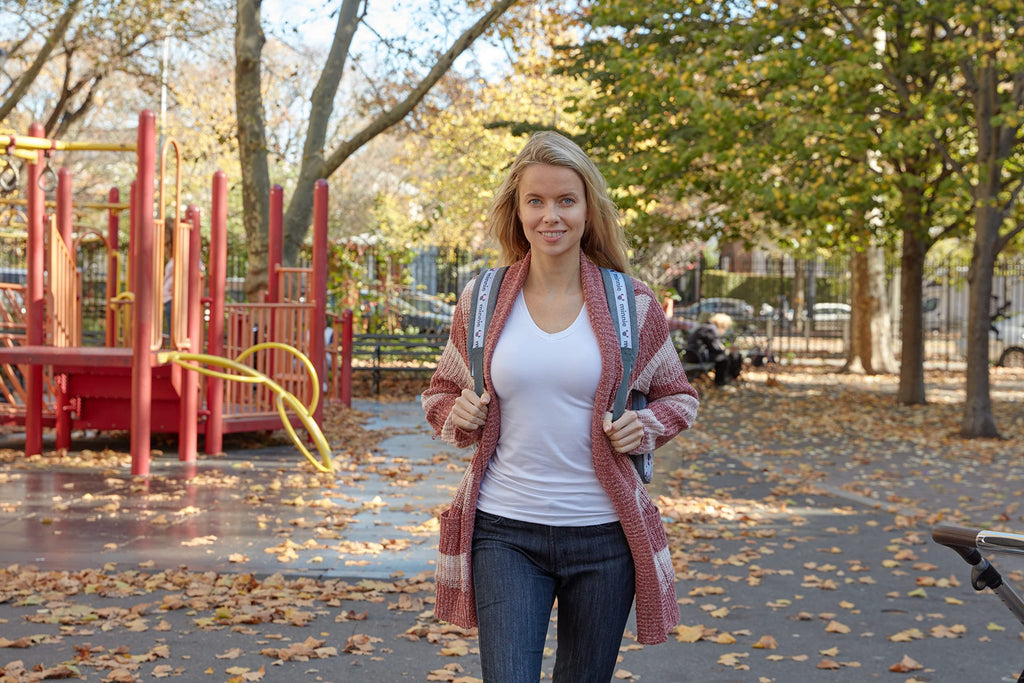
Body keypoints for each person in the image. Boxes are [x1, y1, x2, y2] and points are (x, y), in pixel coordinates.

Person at [422, 131, 700, 682]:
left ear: (587, 209)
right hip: (504, 532)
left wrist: (643, 426)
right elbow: (440, 392)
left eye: (566, 200)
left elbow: (679, 396)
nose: (551, 216)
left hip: (604, 538)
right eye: (537, 201)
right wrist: (457, 415)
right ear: (518, 210)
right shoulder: (483, 300)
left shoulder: (632, 305)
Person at [683, 312, 743, 385]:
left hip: (694, 355)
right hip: (698, 356)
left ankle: (728, 379)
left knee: (727, 356)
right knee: (724, 358)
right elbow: (715, 349)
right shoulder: (711, 329)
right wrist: (727, 351)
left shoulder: (707, 327)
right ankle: (721, 382)